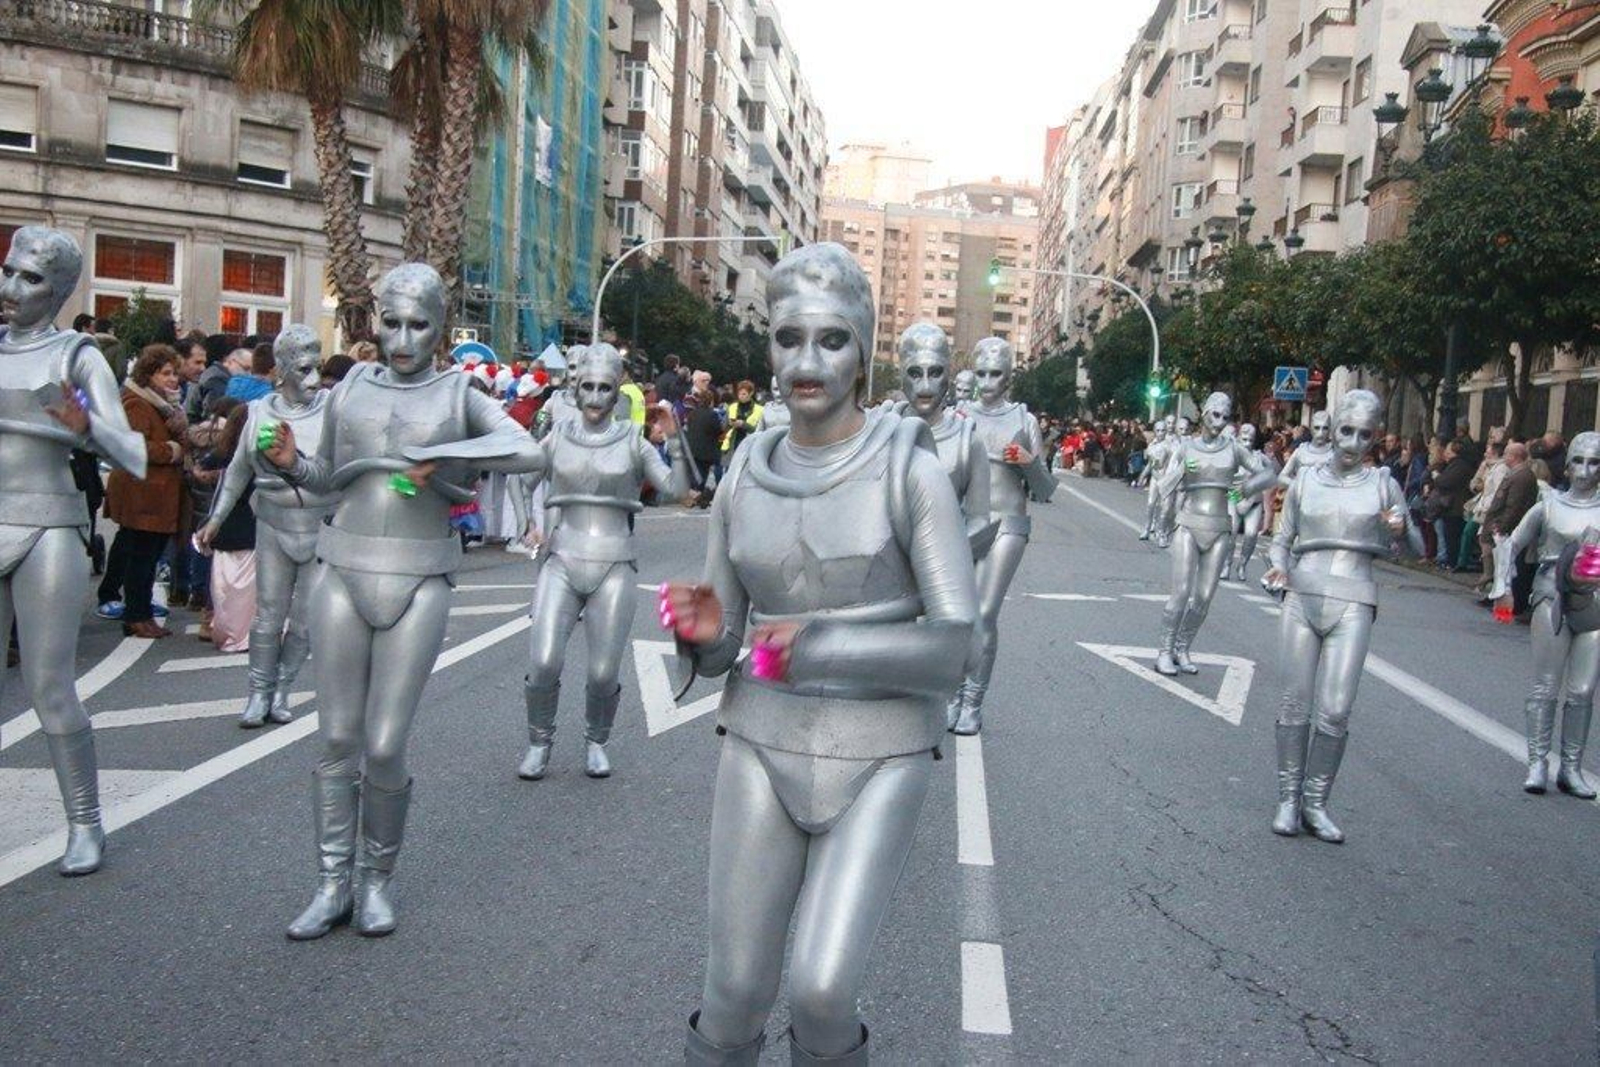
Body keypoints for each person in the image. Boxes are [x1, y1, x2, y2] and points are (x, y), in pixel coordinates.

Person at [662, 243, 977, 1063]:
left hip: (881, 750)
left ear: (863, 351)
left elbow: (957, 649)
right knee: (732, 993)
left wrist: (823, 647)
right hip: (760, 741)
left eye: (832, 340)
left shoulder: (909, 470)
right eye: (788, 338)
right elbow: (727, 643)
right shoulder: (745, 471)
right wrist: (696, 627)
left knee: (824, 990)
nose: (807, 363)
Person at [264, 263, 542, 939]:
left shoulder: (459, 392)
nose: (404, 338)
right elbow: (327, 478)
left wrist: (443, 453)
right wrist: (291, 463)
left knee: (385, 744)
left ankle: (374, 880)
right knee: (337, 737)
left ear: (440, 327)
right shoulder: (352, 385)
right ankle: (331, 882)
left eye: (419, 324)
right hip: (341, 566)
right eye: (392, 322)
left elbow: (526, 450)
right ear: (376, 320)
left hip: (419, 578)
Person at [0, 225, 148, 875]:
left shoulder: (76, 355)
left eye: (31, 278)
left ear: (59, 290)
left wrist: (83, 425)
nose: (12, 286)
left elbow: (131, 453)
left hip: (49, 529)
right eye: (8, 270)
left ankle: (86, 822)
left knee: (49, 685)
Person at [518, 343, 690, 780]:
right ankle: (539, 742)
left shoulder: (632, 440)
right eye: (588, 387)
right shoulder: (558, 436)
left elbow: (676, 490)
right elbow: (524, 479)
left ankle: (597, 740)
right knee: (543, 660)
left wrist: (674, 438)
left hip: (614, 563)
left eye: (605, 388)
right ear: (575, 389)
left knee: (602, 671)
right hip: (561, 558)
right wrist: (528, 524)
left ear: (617, 392)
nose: (595, 397)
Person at [1263, 389, 1420, 843]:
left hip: (1354, 600)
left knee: (1335, 710)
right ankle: (1288, 800)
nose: (1352, 443)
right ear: (1332, 430)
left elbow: (1415, 548)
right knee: (1294, 703)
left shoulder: (1383, 484)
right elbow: (1281, 540)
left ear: (1375, 437)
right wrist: (1278, 567)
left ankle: (1315, 803)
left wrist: (1400, 528)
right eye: (1346, 431)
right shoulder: (1306, 481)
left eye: (1364, 435)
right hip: (1303, 594)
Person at [199, 326, 335, 728]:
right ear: (282, 368)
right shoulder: (259, 411)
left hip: (320, 526)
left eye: (317, 366)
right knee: (268, 615)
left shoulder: (333, 409)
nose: (313, 378)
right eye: (304, 368)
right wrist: (216, 519)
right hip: (273, 523)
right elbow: (237, 471)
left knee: (305, 620)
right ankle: (258, 693)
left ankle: (282, 690)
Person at [954, 336, 1055, 735]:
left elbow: (1045, 490)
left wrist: (1028, 462)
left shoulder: (1024, 420)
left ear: (1009, 376)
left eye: (995, 374)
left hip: (1009, 524)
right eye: (980, 373)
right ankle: (953, 695)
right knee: (959, 615)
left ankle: (972, 703)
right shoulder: (961, 415)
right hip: (967, 522)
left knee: (984, 613)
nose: (987, 382)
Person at [1493, 433, 1600, 797]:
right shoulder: (1548, 505)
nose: (1585, 470)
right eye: (1579, 461)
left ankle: (1571, 767)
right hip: (1551, 595)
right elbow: (1511, 543)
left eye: (1594, 462)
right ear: (1567, 466)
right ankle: (1537, 762)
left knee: (1583, 690)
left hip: (1594, 602)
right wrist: (1503, 588)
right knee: (1546, 685)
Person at [1152, 393, 1274, 676]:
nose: (1219, 422)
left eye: (1225, 417)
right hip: (1188, 525)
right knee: (1181, 592)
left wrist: (1244, 489)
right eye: (1215, 415)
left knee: (1204, 596)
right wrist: (1182, 471)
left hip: (1220, 528)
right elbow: (1164, 486)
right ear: (1204, 413)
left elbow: (1269, 474)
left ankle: (1182, 647)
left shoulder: (1234, 449)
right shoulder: (1186, 447)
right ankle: (1164, 651)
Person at [100, 345, 187, 638]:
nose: (173, 379)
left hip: (154, 493)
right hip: (141, 492)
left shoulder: (162, 403)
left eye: (174, 373)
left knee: (147, 557)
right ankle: (136, 615)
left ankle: (142, 614)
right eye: (165, 373)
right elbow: (133, 445)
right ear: (148, 374)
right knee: (141, 558)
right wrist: (172, 450)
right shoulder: (137, 402)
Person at [197, 405, 257, 653]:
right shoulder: (258, 457)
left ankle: (221, 628)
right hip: (251, 528)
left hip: (223, 528)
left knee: (222, 587)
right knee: (247, 589)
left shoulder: (221, 455)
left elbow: (201, 469)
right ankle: (243, 634)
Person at [720, 379, 762, 456]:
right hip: (732, 446)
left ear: (751, 393)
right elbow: (723, 427)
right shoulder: (732, 407)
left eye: (744, 394)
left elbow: (760, 431)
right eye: (739, 394)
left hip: (750, 445)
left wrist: (743, 425)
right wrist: (730, 424)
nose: (741, 396)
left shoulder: (760, 410)